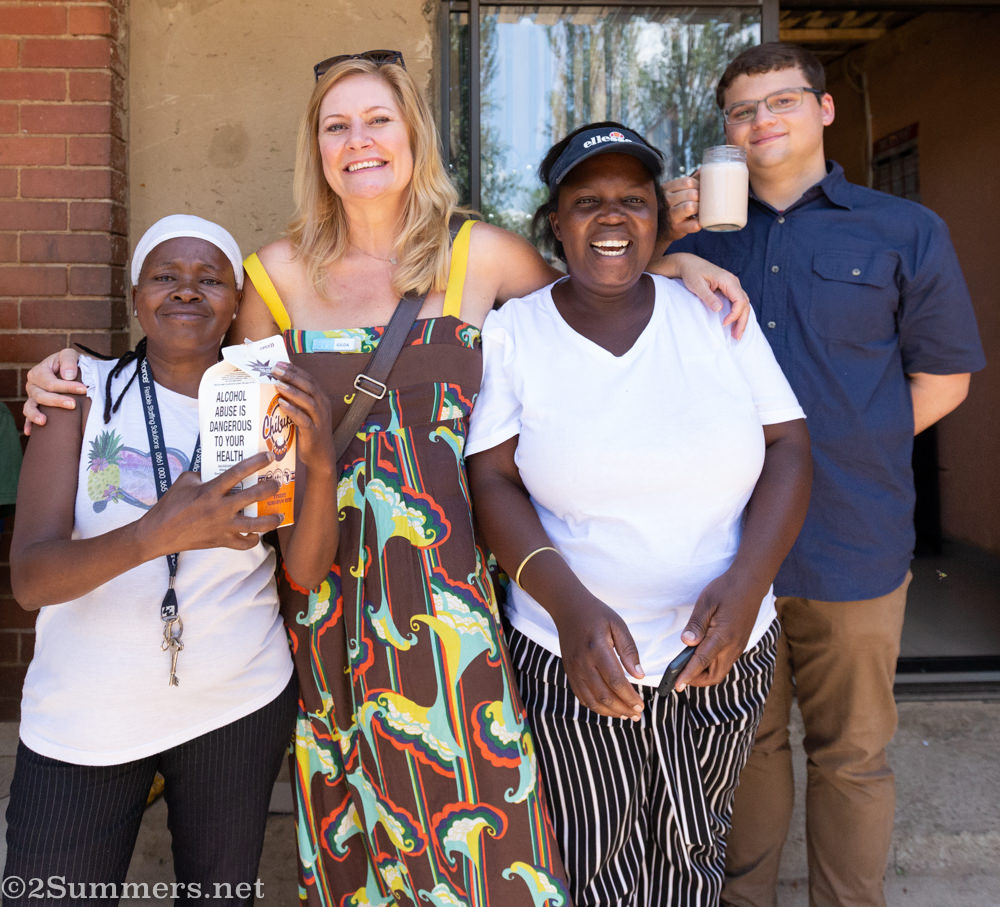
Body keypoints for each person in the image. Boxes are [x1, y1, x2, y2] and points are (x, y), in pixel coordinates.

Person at [19, 53, 759, 907]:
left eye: (379, 121)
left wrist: (674, 267)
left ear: (413, 136)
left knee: (485, 839)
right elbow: (206, 403)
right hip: (319, 598)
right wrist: (66, 376)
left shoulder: (478, 256)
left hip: (460, 606)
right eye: (337, 126)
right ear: (317, 149)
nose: (358, 141)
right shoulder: (273, 277)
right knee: (358, 840)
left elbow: (591, 298)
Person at [664, 43, 986, 907]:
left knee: (851, 753)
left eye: (783, 101)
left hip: (854, 533)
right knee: (744, 745)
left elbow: (945, 378)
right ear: (726, 130)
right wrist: (669, 243)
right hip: (723, 547)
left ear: (824, 109)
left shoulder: (903, 229)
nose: (763, 121)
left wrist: (853, 443)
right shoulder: (697, 237)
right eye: (743, 110)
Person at [464, 121, 812, 907]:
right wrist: (573, 607)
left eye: (633, 200)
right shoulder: (518, 330)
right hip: (569, 653)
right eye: (588, 202)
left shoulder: (712, 312)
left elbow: (790, 446)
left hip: (720, 649)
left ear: (659, 216)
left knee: (695, 845)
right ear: (555, 223)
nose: (612, 217)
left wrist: (750, 580)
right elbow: (491, 479)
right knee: (593, 858)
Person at [4, 215, 338, 905]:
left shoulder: (262, 402)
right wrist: (154, 534)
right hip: (83, 715)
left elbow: (304, 572)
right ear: (134, 297)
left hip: (236, 701)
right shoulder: (79, 391)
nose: (188, 291)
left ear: (235, 300)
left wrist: (321, 463)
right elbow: (32, 578)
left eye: (210, 278)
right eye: (165, 276)